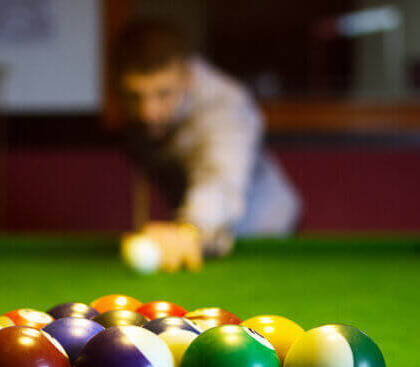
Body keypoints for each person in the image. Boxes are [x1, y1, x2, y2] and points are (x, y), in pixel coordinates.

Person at [115, 20, 301, 272]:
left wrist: (190, 227)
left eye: (163, 93)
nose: (148, 112)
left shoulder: (224, 106)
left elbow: (220, 177)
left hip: (261, 233)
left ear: (187, 77)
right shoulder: (142, 113)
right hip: (198, 232)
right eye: (136, 96)